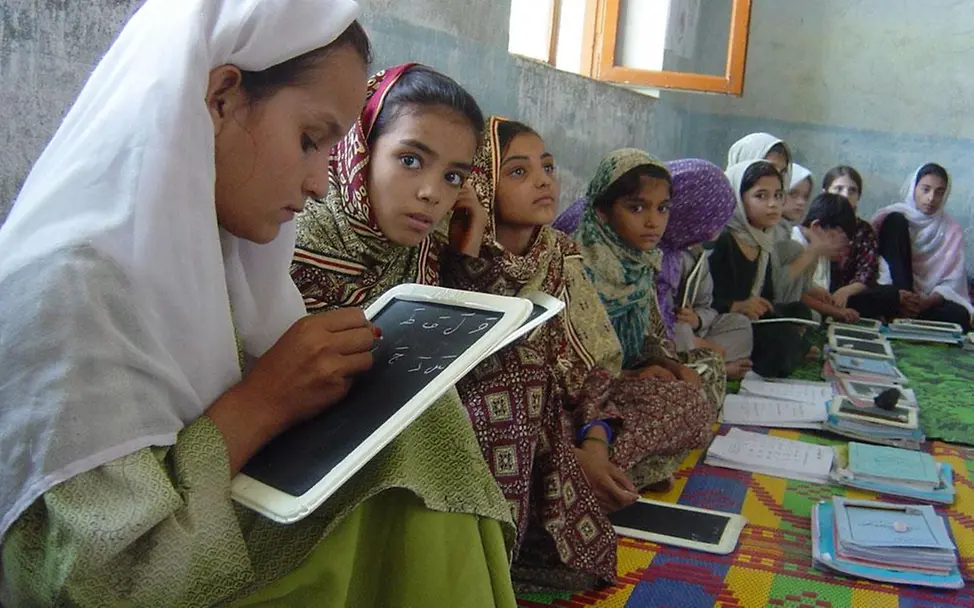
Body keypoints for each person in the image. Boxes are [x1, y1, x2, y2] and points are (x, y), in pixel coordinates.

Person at [0, 5, 519, 606]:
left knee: (422, 421)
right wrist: (262, 403)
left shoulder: (221, 261)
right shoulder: (72, 288)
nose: (320, 183)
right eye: (309, 140)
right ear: (221, 98)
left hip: (202, 531)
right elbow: (86, 584)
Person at [290, 79, 640, 592]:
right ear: (360, 148)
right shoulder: (302, 233)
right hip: (307, 437)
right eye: (411, 160)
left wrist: (469, 238)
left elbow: (458, 323)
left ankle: (495, 558)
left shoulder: (424, 240)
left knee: (513, 378)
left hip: (396, 410)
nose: (433, 192)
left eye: (453, 176)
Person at [439, 118, 713, 585]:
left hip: (575, 413)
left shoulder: (559, 253)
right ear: (482, 182)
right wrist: (470, 258)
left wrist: (594, 442)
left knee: (686, 398)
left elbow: (594, 367)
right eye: (520, 172)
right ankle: (565, 497)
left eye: (547, 166)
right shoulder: (449, 253)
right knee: (515, 402)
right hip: (503, 422)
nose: (545, 180)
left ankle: (588, 477)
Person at [567, 147, 725, 410]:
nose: (653, 222)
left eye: (663, 208)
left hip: (629, 380)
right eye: (637, 207)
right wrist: (631, 377)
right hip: (585, 394)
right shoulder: (575, 268)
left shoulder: (642, 265)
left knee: (707, 369)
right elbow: (567, 368)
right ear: (602, 211)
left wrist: (668, 365)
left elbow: (648, 341)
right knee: (671, 404)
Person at [709, 160, 832, 378]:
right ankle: (795, 347)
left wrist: (764, 305)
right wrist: (737, 305)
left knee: (799, 312)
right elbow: (704, 299)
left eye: (777, 195)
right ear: (738, 198)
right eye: (761, 196)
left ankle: (794, 344)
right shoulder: (724, 241)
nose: (773, 204)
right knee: (780, 343)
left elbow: (767, 294)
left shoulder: (762, 240)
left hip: (752, 317)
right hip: (725, 320)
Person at [656, 159, 754, 379]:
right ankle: (714, 367)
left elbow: (708, 306)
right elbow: (655, 325)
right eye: (707, 221)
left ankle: (706, 362)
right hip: (666, 341)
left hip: (689, 332)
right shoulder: (653, 252)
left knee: (739, 324)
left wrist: (698, 319)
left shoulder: (694, 251)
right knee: (677, 335)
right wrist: (703, 345)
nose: (712, 235)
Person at [872, 163, 973, 330]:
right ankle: (903, 308)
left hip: (926, 302)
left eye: (939, 192)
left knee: (960, 315)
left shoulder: (951, 230)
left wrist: (925, 303)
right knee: (895, 220)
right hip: (896, 293)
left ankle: (906, 315)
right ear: (914, 189)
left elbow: (952, 283)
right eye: (925, 190)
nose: (931, 198)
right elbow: (881, 262)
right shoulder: (891, 217)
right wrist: (903, 297)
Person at [820, 165, 906, 321]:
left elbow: (867, 271)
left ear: (859, 196)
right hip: (820, 291)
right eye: (838, 189)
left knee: (889, 295)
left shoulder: (864, 230)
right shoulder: (818, 224)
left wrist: (845, 291)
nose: (845, 195)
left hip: (852, 294)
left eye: (852, 190)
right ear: (825, 192)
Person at [791, 193, 861, 323]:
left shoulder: (822, 253)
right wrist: (835, 312)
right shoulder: (794, 244)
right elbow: (795, 295)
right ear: (817, 227)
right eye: (842, 241)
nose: (842, 251)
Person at [726, 132, 793, 186]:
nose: (778, 180)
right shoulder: (718, 199)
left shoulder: (781, 201)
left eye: (782, 172)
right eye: (769, 170)